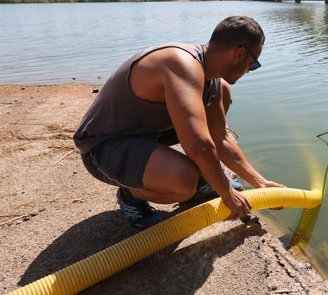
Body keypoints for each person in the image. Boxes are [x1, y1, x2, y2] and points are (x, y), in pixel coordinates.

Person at [73, 15, 284, 232]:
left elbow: (219, 138)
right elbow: (199, 144)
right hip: (102, 148)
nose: (250, 70)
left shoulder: (213, 82)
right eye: (254, 63)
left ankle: (202, 182)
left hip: (142, 136)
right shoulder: (181, 64)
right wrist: (226, 193)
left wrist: (261, 182)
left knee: (222, 94)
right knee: (183, 182)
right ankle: (131, 195)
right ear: (240, 54)